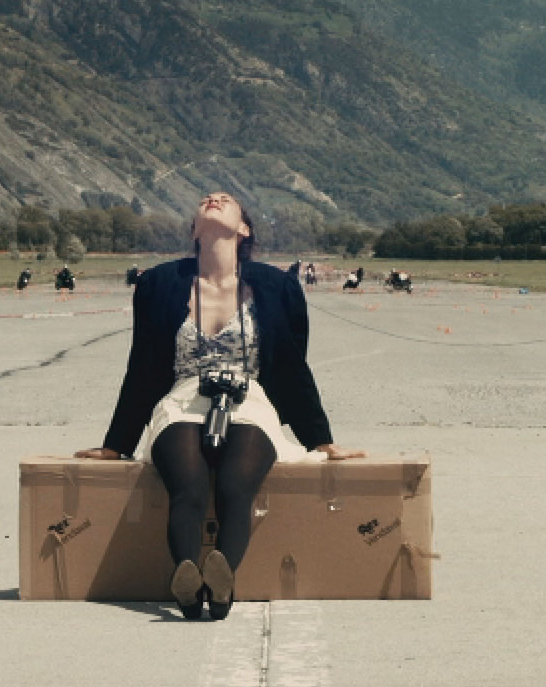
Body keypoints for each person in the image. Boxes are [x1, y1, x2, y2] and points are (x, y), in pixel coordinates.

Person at [75, 192, 363, 620]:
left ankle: (222, 578)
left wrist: (320, 440)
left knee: (235, 485)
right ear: (194, 229)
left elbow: (291, 367)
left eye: (225, 200)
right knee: (187, 486)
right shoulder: (158, 284)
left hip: (250, 400)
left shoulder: (277, 286)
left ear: (243, 228)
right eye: (206, 200)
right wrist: (116, 444)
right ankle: (188, 582)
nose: (213, 199)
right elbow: (142, 368)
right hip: (182, 399)